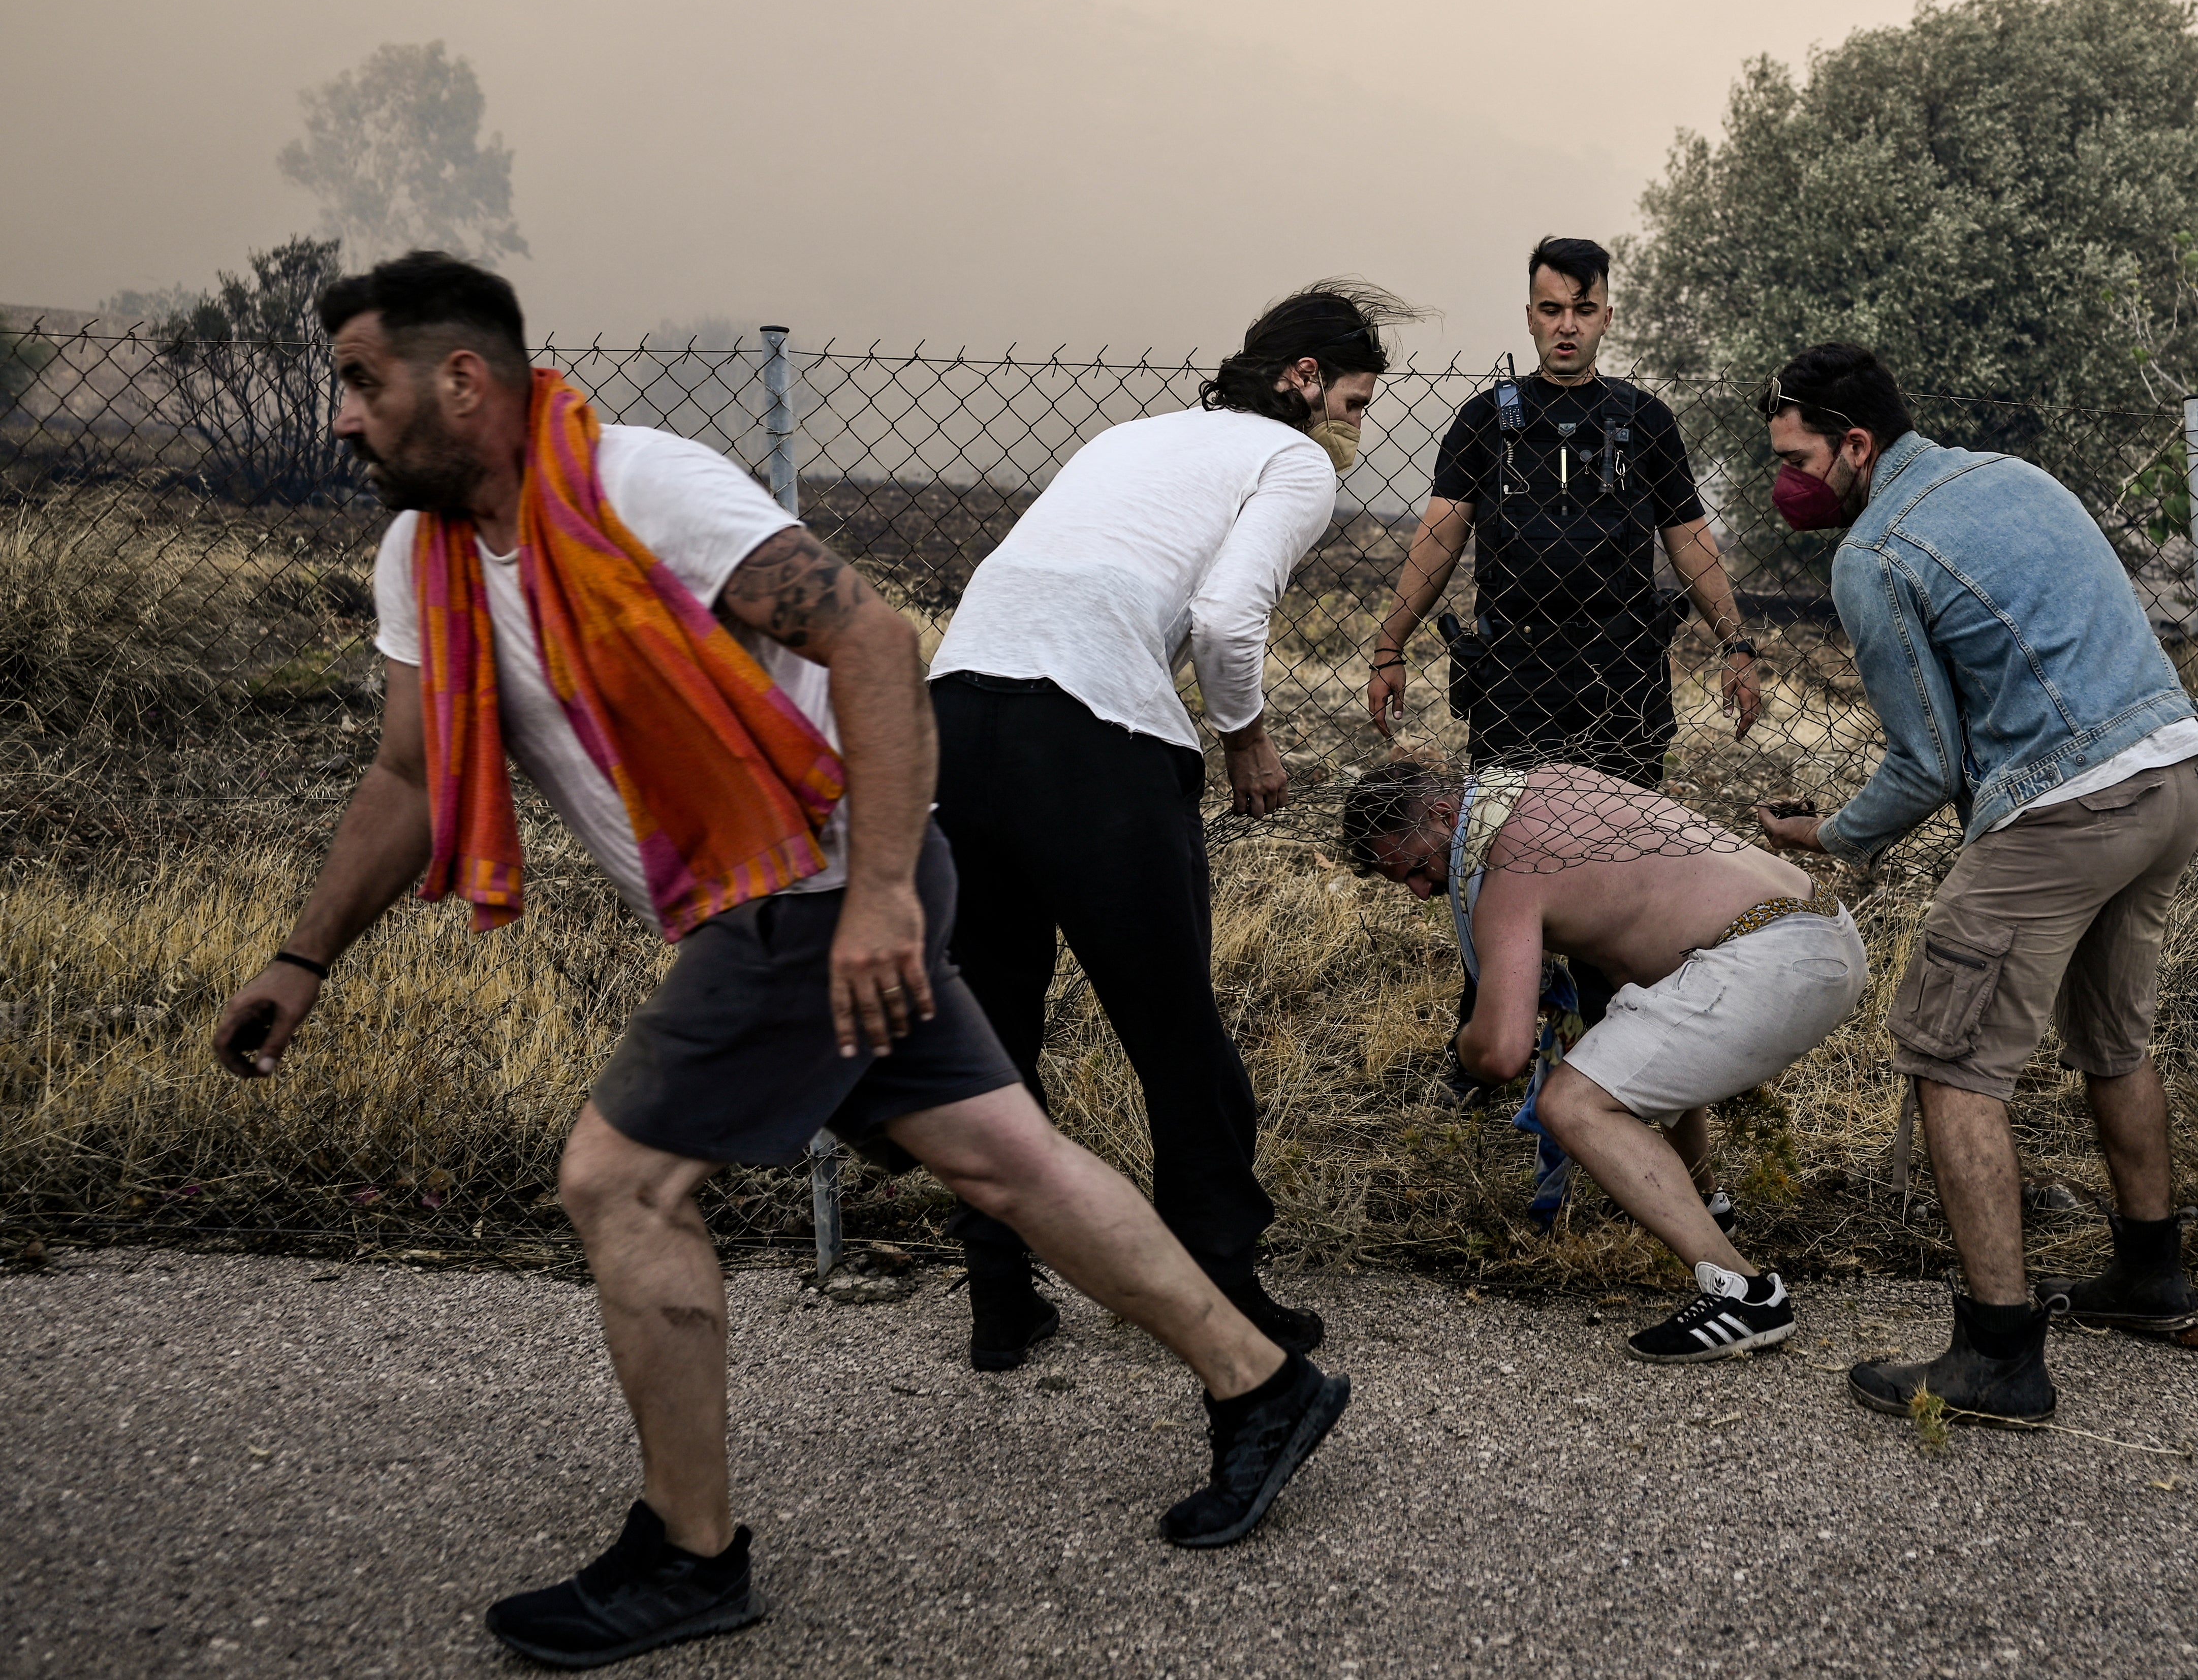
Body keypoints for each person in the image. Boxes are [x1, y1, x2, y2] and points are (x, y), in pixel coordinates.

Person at [212, 255, 1351, 1670]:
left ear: (461, 381)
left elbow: (873, 639)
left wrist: (878, 893)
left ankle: (692, 1556)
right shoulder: (426, 560)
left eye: (361, 382)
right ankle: (1261, 1386)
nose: (341, 418)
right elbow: (407, 773)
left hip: (805, 884)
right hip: (792, 894)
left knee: (618, 1183)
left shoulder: (648, 491)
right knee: (1004, 1156)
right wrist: (303, 954)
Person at [923, 282, 1402, 1372]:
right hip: (1090, 738)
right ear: (1302, 381)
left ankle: (1000, 1299)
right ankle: (1229, 1296)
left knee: (993, 1028)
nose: (1356, 428)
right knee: (1177, 1034)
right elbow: (1228, 614)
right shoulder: (1293, 462)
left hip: (951, 716)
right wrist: (1245, 735)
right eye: (1356, 401)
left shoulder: (1132, 435)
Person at [1749, 342, 2198, 1431]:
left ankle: (2000, 1352)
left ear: (1856, 446)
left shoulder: (1874, 553)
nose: (1786, 481)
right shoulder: (2011, 473)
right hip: (2172, 776)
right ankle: (2153, 1272)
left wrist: (1827, 834)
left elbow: (1926, 765)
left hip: (2065, 806)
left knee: (1950, 1053)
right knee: (2115, 1037)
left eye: (1797, 456)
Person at [1342, 758, 1867, 1361]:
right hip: (1822, 927)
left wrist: (1463, 1043)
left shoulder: (1506, 865)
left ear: (1444, 816)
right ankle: (1708, 1207)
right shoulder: (1544, 780)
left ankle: (1743, 1294)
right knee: (1637, 1027)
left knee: (1571, 1102)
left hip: (1778, 965)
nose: (1418, 889)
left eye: (1415, 866)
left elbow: (1501, 1052)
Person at [1365, 234, 1762, 786]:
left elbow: (1691, 542)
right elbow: (1437, 539)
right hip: (1512, 674)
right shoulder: (1484, 420)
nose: (1567, 326)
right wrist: (1390, 647)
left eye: (1584, 309)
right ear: (1530, 317)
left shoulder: (1647, 420)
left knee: (1628, 842)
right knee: (1512, 840)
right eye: (1552, 310)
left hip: (1623, 673)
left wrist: (1736, 646)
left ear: (1608, 318)